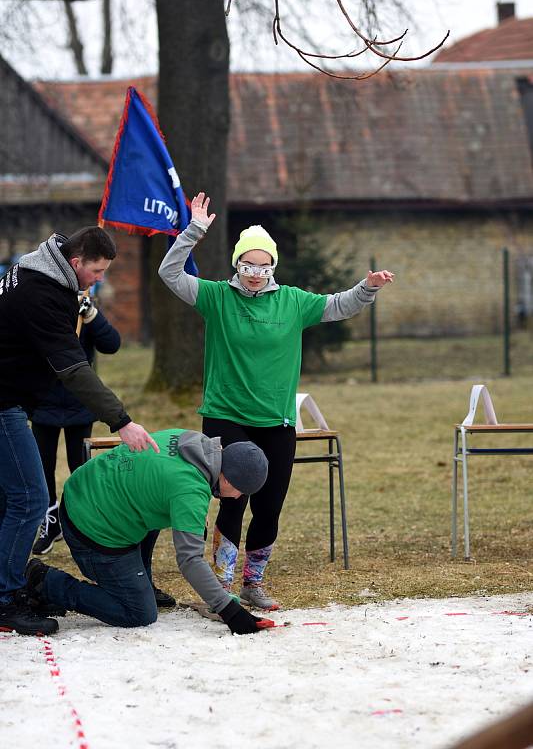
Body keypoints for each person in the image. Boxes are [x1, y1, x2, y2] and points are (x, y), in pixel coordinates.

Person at [158, 192, 395, 611]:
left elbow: (339, 305)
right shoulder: (216, 297)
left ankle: (254, 581)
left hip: (277, 420)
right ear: (236, 265)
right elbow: (170, 272)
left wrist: (368, 287)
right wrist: (194, 231)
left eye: (262, 266)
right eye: (247, 266)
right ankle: (221, 584)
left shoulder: (293, 302)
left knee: (270, 505)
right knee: (233, 500)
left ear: (273, 267)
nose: (254, 274)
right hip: (226, 417)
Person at [0, 228, 159, 637]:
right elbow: (73, 369)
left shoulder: (39, 269)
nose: (100, 279)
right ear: (76, 263)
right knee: (32, 499)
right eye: (98, 270)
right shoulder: (44, 293)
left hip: (12, 399)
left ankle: (10, 584)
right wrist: (122, 421)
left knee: (8, 500)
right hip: (3, 404)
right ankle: (7, 598)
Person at [25, 428, 274, 636]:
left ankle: (139, 581)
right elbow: (190, 560)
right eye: (242, 491)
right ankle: (45, 581)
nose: (240, 497)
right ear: (229, 480)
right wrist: (228, 610)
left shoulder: (193, 441)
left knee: (154, 507)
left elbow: (156, 484)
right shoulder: (190, 489)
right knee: (139, 612)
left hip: (86, 490)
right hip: (92, 528)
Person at [31, 294, 121, 556]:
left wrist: (91, 314)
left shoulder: (85, 311)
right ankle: (50, 521)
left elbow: (111, 344)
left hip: (79, 403)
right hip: (43, 401)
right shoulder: (42, 307)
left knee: (79, 467)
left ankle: (81, 524)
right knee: (41, 465)